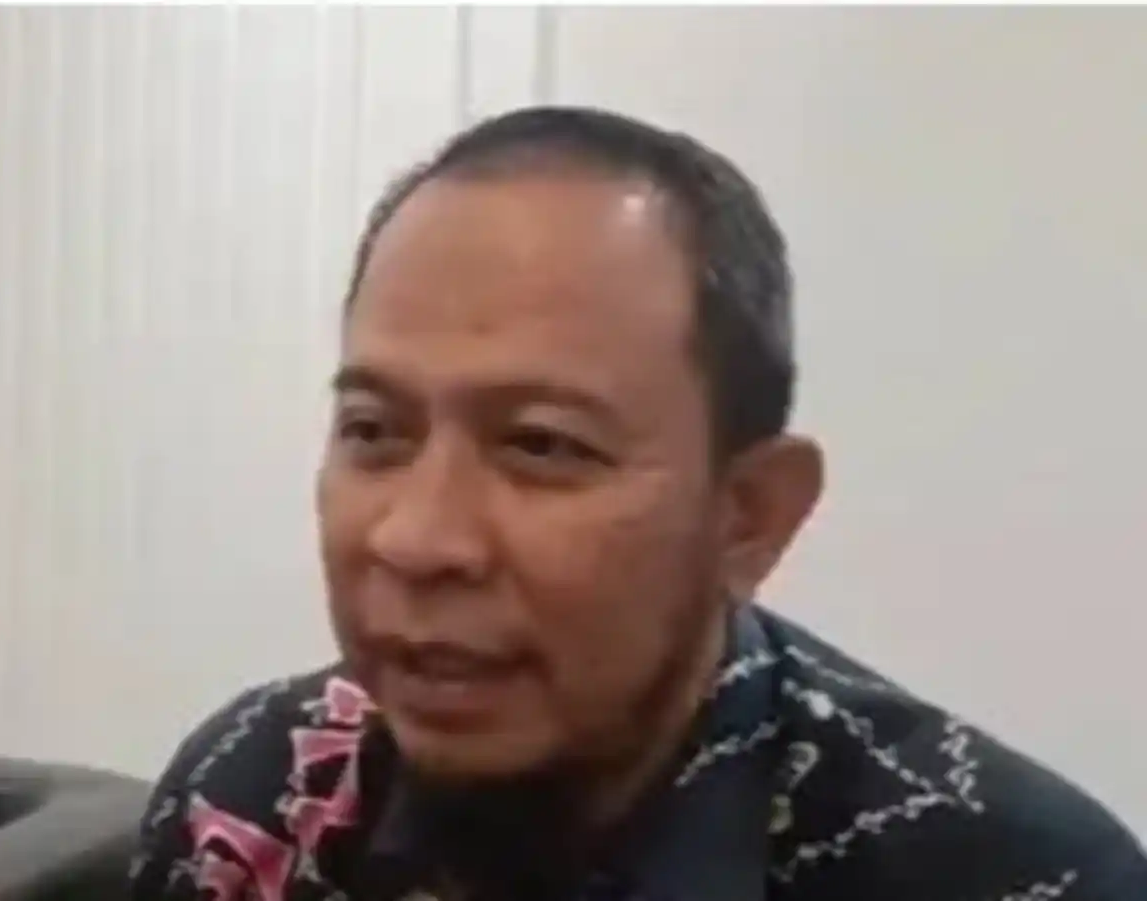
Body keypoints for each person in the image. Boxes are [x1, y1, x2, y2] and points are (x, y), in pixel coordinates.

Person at [129, 106, 1146, 901]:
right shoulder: (255, 794)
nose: (420, 537)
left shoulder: (1008, 876)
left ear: (748, 514)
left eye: (541, 444)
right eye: (373, 431)